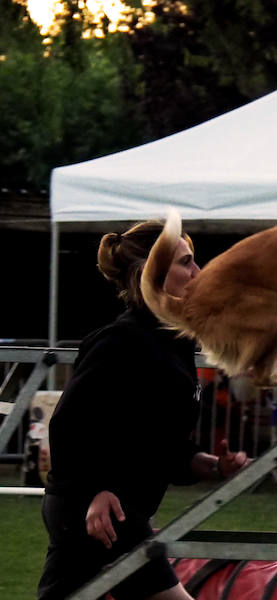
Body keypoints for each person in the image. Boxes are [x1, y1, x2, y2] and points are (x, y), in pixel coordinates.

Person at [38, 221, 249, 600]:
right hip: (97, 514)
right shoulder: (119, 342)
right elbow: (69, 425)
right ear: (149, 274)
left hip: (117, 514)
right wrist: (96, 490)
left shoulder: (175, 342)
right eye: (186, 263)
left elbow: (161, 446)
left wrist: (213, 465)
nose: (198, 272)